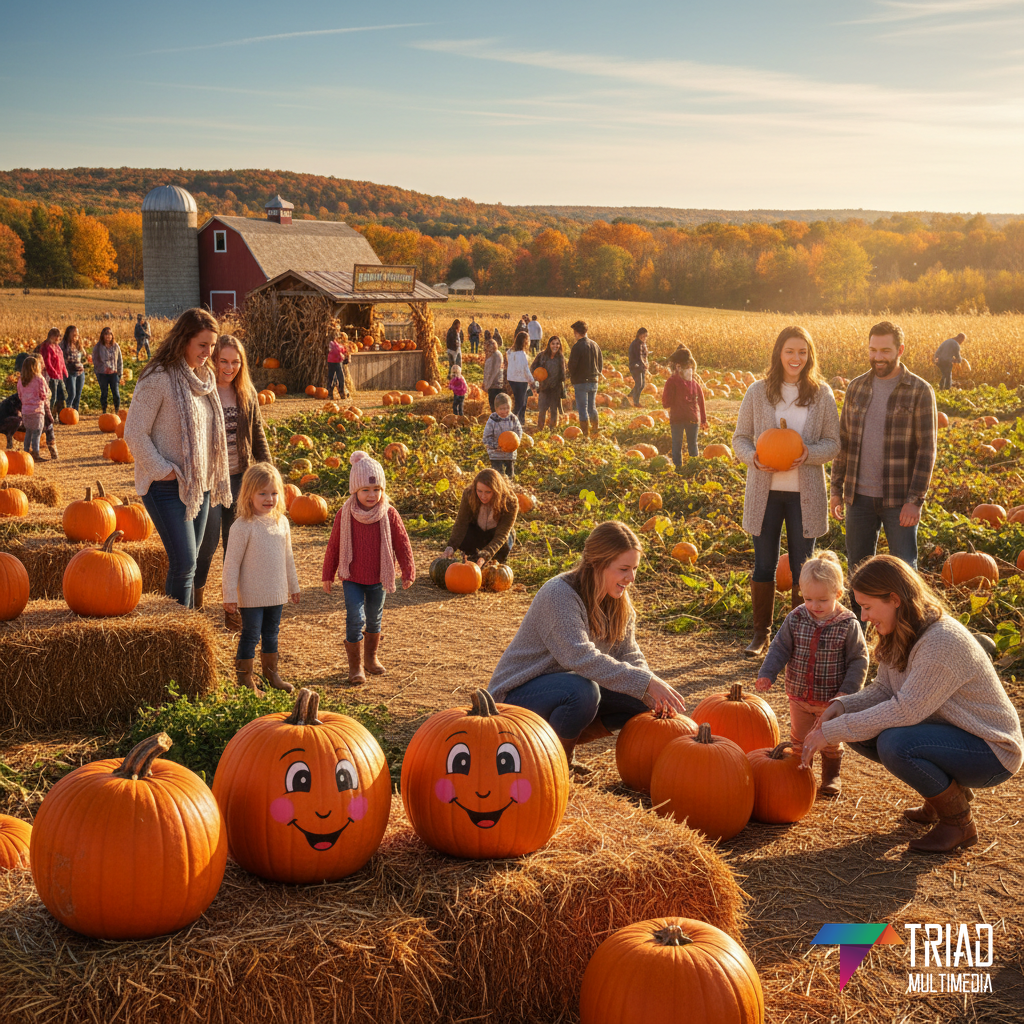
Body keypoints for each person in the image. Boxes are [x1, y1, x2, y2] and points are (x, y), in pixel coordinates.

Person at [800, 555, 1022, 853]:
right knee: (858, 727)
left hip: (992, 751)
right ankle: (944, 796)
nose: (863, 617)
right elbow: (883, 689)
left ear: (894, 599)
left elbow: (906, 709)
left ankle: (959, 823)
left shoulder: (940, 641)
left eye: (867, 607)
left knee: (895, 742)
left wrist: (833, 731)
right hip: (955, 735)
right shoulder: (900, 630)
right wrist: (843, 707)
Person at [489, 521, 687, 772]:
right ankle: (557, 764)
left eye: (635, 568)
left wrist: (648, 686)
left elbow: (628, 653)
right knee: (582, 691)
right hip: (515, 699)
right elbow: (579, 656)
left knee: (639, 701)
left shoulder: (617, 600)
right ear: (597, 563)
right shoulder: (559, 594)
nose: (631, 578)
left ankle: (549, 744)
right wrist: (645, 683)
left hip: (561, 691)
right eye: (624, 569)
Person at [733, 326, 841, 658]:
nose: (796, 358)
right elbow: (740, 438)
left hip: (803, 495)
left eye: (802, 352)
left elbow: (833, 443)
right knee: (764, 564)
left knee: (801, 568)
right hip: (765, 492)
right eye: (790, 351)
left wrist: (809, 453)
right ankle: (761, 635)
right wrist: (753, 458)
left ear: (810, 356)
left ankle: (796, 637)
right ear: (779, 353)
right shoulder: (757, 392)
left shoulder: (821, 394)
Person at [124, 307, 232, 607]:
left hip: (199, 484)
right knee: (184, 563)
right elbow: (134, 432)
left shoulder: (205, 379)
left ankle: (180, 630)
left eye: (212, 346)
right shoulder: (157, 378)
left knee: (192, 563)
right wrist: (162, 470)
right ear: (184, 339)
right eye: (202, 345)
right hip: (166, 485)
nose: (208, 352)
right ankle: (175, 632)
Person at [755, 551, 868, 797]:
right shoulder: (796, 618)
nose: (814, 606)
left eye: (822, 600)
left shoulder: (849, 625)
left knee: (829, 739)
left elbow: (859, 660)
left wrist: (846, 694)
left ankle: (831, 776)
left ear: (838, 595)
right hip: (799, 696)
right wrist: (768, 673)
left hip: (831, 700)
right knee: (799, 738)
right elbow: (779, 647)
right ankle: (801, 773)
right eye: (808, 599)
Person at [829, 321, 937, 579]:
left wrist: (914, 501)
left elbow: (927, 450)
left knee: (905, 571)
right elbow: (843, 442)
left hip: (899, 499)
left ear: (900, 350)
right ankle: (858, 619)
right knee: (858, 569)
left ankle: (907, 620)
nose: (878, 357)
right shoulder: (856, 388)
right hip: (858, 497)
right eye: (873, 350)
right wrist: (835, 490)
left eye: (885, 351)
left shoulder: (920, 391)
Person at [193, 334, 272, 626]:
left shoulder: (246, 392)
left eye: (235, 362)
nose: (229, 367)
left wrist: (269, 474)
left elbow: (259, 436)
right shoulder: (203, 390)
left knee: (236, 546)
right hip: (211, 481)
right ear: (214, 361)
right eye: (223, 361)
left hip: (240, 480)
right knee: (208, 542)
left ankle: (232, 610)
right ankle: (195, 603)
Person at [322, 451, 415, 685]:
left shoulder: (389, 514)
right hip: (352, 576)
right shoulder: (345, 514)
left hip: (378, 577)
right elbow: (334, 545)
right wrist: (328, 574)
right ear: (355, 491)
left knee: (374, 619)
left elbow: (402, 543)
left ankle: (371, 659)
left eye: (376, 490)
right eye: (365, 490)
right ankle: (355, 668)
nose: (372, 495)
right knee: (355, 618)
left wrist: (408, 569)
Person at [222, 462, 299, 697]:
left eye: (274, 493)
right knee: (251, 634)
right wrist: (229, 595)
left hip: (276, 593)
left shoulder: (281, 523)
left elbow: (288, 558)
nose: (269, 498)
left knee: (271, 633)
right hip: (252, 595)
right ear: (249, 495)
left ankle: (271, 674)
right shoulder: (243, 527)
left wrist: (293, 586)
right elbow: (231, 564)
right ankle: (245, 680)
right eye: (262, 493)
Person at [443, 468, 518, 566]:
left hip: (495, 535)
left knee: (506, 543)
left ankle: (493, 558)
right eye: (479, 491)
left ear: (496, 491)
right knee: (464, 537)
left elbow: (502, 535)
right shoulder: (469, 494)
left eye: (488, 492)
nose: (483, 496)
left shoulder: (510, 502)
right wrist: (451, 546)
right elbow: (461, 523)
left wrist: (486, 555)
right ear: (475, 489)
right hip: (477, 532)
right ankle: (473, 555)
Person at [662, 347, 706, 466]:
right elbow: (701, 401)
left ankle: (678, 469)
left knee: (677, 444)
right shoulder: (695, 383)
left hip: (677, 418)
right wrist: (703, 420)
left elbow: (666, 402)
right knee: (693, 444)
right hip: (693, 418)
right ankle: (694, 466)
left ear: (677, 367)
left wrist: (669, 403)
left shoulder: (671, 381)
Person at [567, 320, 603, 438]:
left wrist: (570, 376)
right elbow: (600, 364)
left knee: (582, 409)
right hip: (594, 380)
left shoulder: (577, 346)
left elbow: (572, 365)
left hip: (581, 382)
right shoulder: (595, 345)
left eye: (574, 332)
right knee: (592, 407)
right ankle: (595, 429)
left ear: (577, 332)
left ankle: (586, 435)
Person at [17, 356, 49, 460]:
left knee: (28, 432)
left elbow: (20, 395)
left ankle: (26, 452)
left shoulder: (21, 380)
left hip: (25, 411)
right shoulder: (39, 379)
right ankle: (36, 453)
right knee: (37, 433)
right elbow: (43, 395)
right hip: (37, 411)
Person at [482, 393, 522, 478]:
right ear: (496, 409)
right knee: (498, 475)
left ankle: (509, 488)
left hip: (510, 454)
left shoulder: (513, 418)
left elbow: (518, 431)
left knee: (510, 474)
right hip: (495, 454)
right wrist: (495, 446)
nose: (504, 411)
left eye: (507, 408)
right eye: (501, 409)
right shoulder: (492, 419)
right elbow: (486, 437)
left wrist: (515, 443)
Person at [532, 335, 566, 430]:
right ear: (549, 344)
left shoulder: (560, 357)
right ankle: (540, 427)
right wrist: (537, 376)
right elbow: (533, 367)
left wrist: (562, 385)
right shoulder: (542, 356)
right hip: (544, 387)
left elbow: (563, 374)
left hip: (555, 387)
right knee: (542, 409)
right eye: (553, 344)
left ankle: (552, 428)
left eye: (557, 344)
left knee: (554, 410)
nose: (555, 346)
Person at [505, 332, 537, 425]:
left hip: (511, 378)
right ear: (525, 341)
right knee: (520, 402)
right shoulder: (522, 354)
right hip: (521, 380)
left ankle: (521, 420)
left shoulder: (509, 352)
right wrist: (532, 381)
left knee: (520, 399)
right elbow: (525, 369)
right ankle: (510, 419)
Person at [92, 326, 124, 414]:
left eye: (110, 334)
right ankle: (104, 411)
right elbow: (95, 360)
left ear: (112, 335)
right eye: (106, 334)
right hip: (102, 374)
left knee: (116, 393)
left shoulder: (116, 346)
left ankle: (117, 410)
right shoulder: (98, 347)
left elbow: (119, 360)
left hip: (114, 373)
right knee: (104, 393)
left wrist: (120, 373)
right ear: (102, 336)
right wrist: (103, 369)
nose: (108, 336)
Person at [36, 329, 67, 414]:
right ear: (51, 336)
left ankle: (61, 415)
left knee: (62, 396)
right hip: (50, 377)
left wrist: (64, 370)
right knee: (52, 397)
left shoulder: (57, 347)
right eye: (56, 336)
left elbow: (61, 360)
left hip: (59, 376)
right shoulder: (46, 347)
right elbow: (47, 363)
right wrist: (54, 373)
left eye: (59, 336)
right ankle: (48, 417)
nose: (58, 338)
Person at [60, 325, 86, 413]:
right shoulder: (63, 345)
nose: (76, 337)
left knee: (78, 394)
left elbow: (83, 356)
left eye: (77, 335)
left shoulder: (78, 344)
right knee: (71, 394)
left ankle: (75, 412)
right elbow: (61, 358)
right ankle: (67, 412)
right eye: (74, 335)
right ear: (69, 334)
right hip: (70, 372)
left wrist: (88, 357)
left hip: (80, 372)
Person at [628, 328, 650, 407]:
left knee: (642, 384)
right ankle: (636, 402)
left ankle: (630, 396)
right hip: (636, 366)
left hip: (641, 366)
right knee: (639, 384)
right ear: (639, 335)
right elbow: (639, 356)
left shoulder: (642, 343)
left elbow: (644, 355)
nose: (645, 337)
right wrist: (645, 364)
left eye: (646, 336)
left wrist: (646, 363)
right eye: (643, 336)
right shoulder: (637, 344)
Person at [482, 334, 505, 411]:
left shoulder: (497, 355)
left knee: (495, 405)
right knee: (492, 405)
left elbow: (494, 371)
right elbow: (487, 371)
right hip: (492, 385)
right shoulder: (491, 355)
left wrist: (487, 384)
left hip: (496, 384)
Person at [327, 330, 348, 400]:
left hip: (338, 362)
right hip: (333, 362)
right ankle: (330, 393)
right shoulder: (331, 343)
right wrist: (342, 353)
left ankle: (341, 393)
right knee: (332, 378)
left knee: (340, 378)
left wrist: (345, 352)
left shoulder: (338, 344)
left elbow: (343, 350)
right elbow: (336, 350)